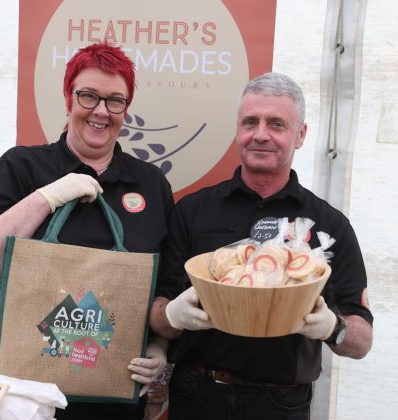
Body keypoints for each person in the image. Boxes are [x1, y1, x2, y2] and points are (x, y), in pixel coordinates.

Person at [0, 42, 175, 420]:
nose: (101, 112)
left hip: (111, 397)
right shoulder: (21, 167)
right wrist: (46, 196)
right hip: (22, 399)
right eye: (88, 96)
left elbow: (166, 282)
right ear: (68, 97)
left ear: (127, 109)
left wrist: (159, 348)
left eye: (115, 101)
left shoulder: (151, 184)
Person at [149, 72, 373, 419]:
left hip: (282, 405)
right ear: (238, 130)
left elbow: (362, 341)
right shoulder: (193, 212)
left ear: (300, 135)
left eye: (277, 124)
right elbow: (157, 315)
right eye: (250, 122)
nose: (261, 134)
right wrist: (174, 315)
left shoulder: (330, 226)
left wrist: (333, 327)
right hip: (197, 395)